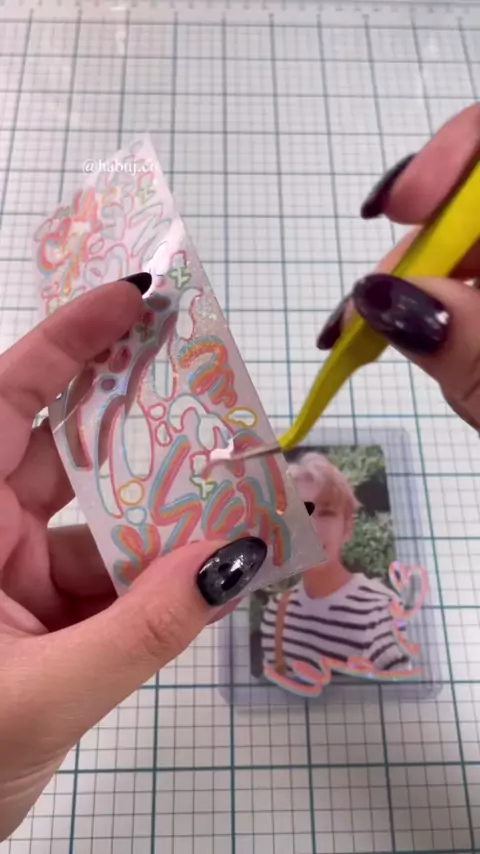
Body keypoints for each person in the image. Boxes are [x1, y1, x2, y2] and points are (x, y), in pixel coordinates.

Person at [1, 103, 480, 838]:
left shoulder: (371, 607)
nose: (304, 520)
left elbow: (380, 656)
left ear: (349, 519)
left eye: (315, 510)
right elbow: (284, 661)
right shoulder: (279, 613)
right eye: (302, 505)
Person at [260, 452, 411, 680]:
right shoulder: (277, 613)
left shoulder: (381, 611)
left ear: (347, 527)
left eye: (326, 513)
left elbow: (402, 695)